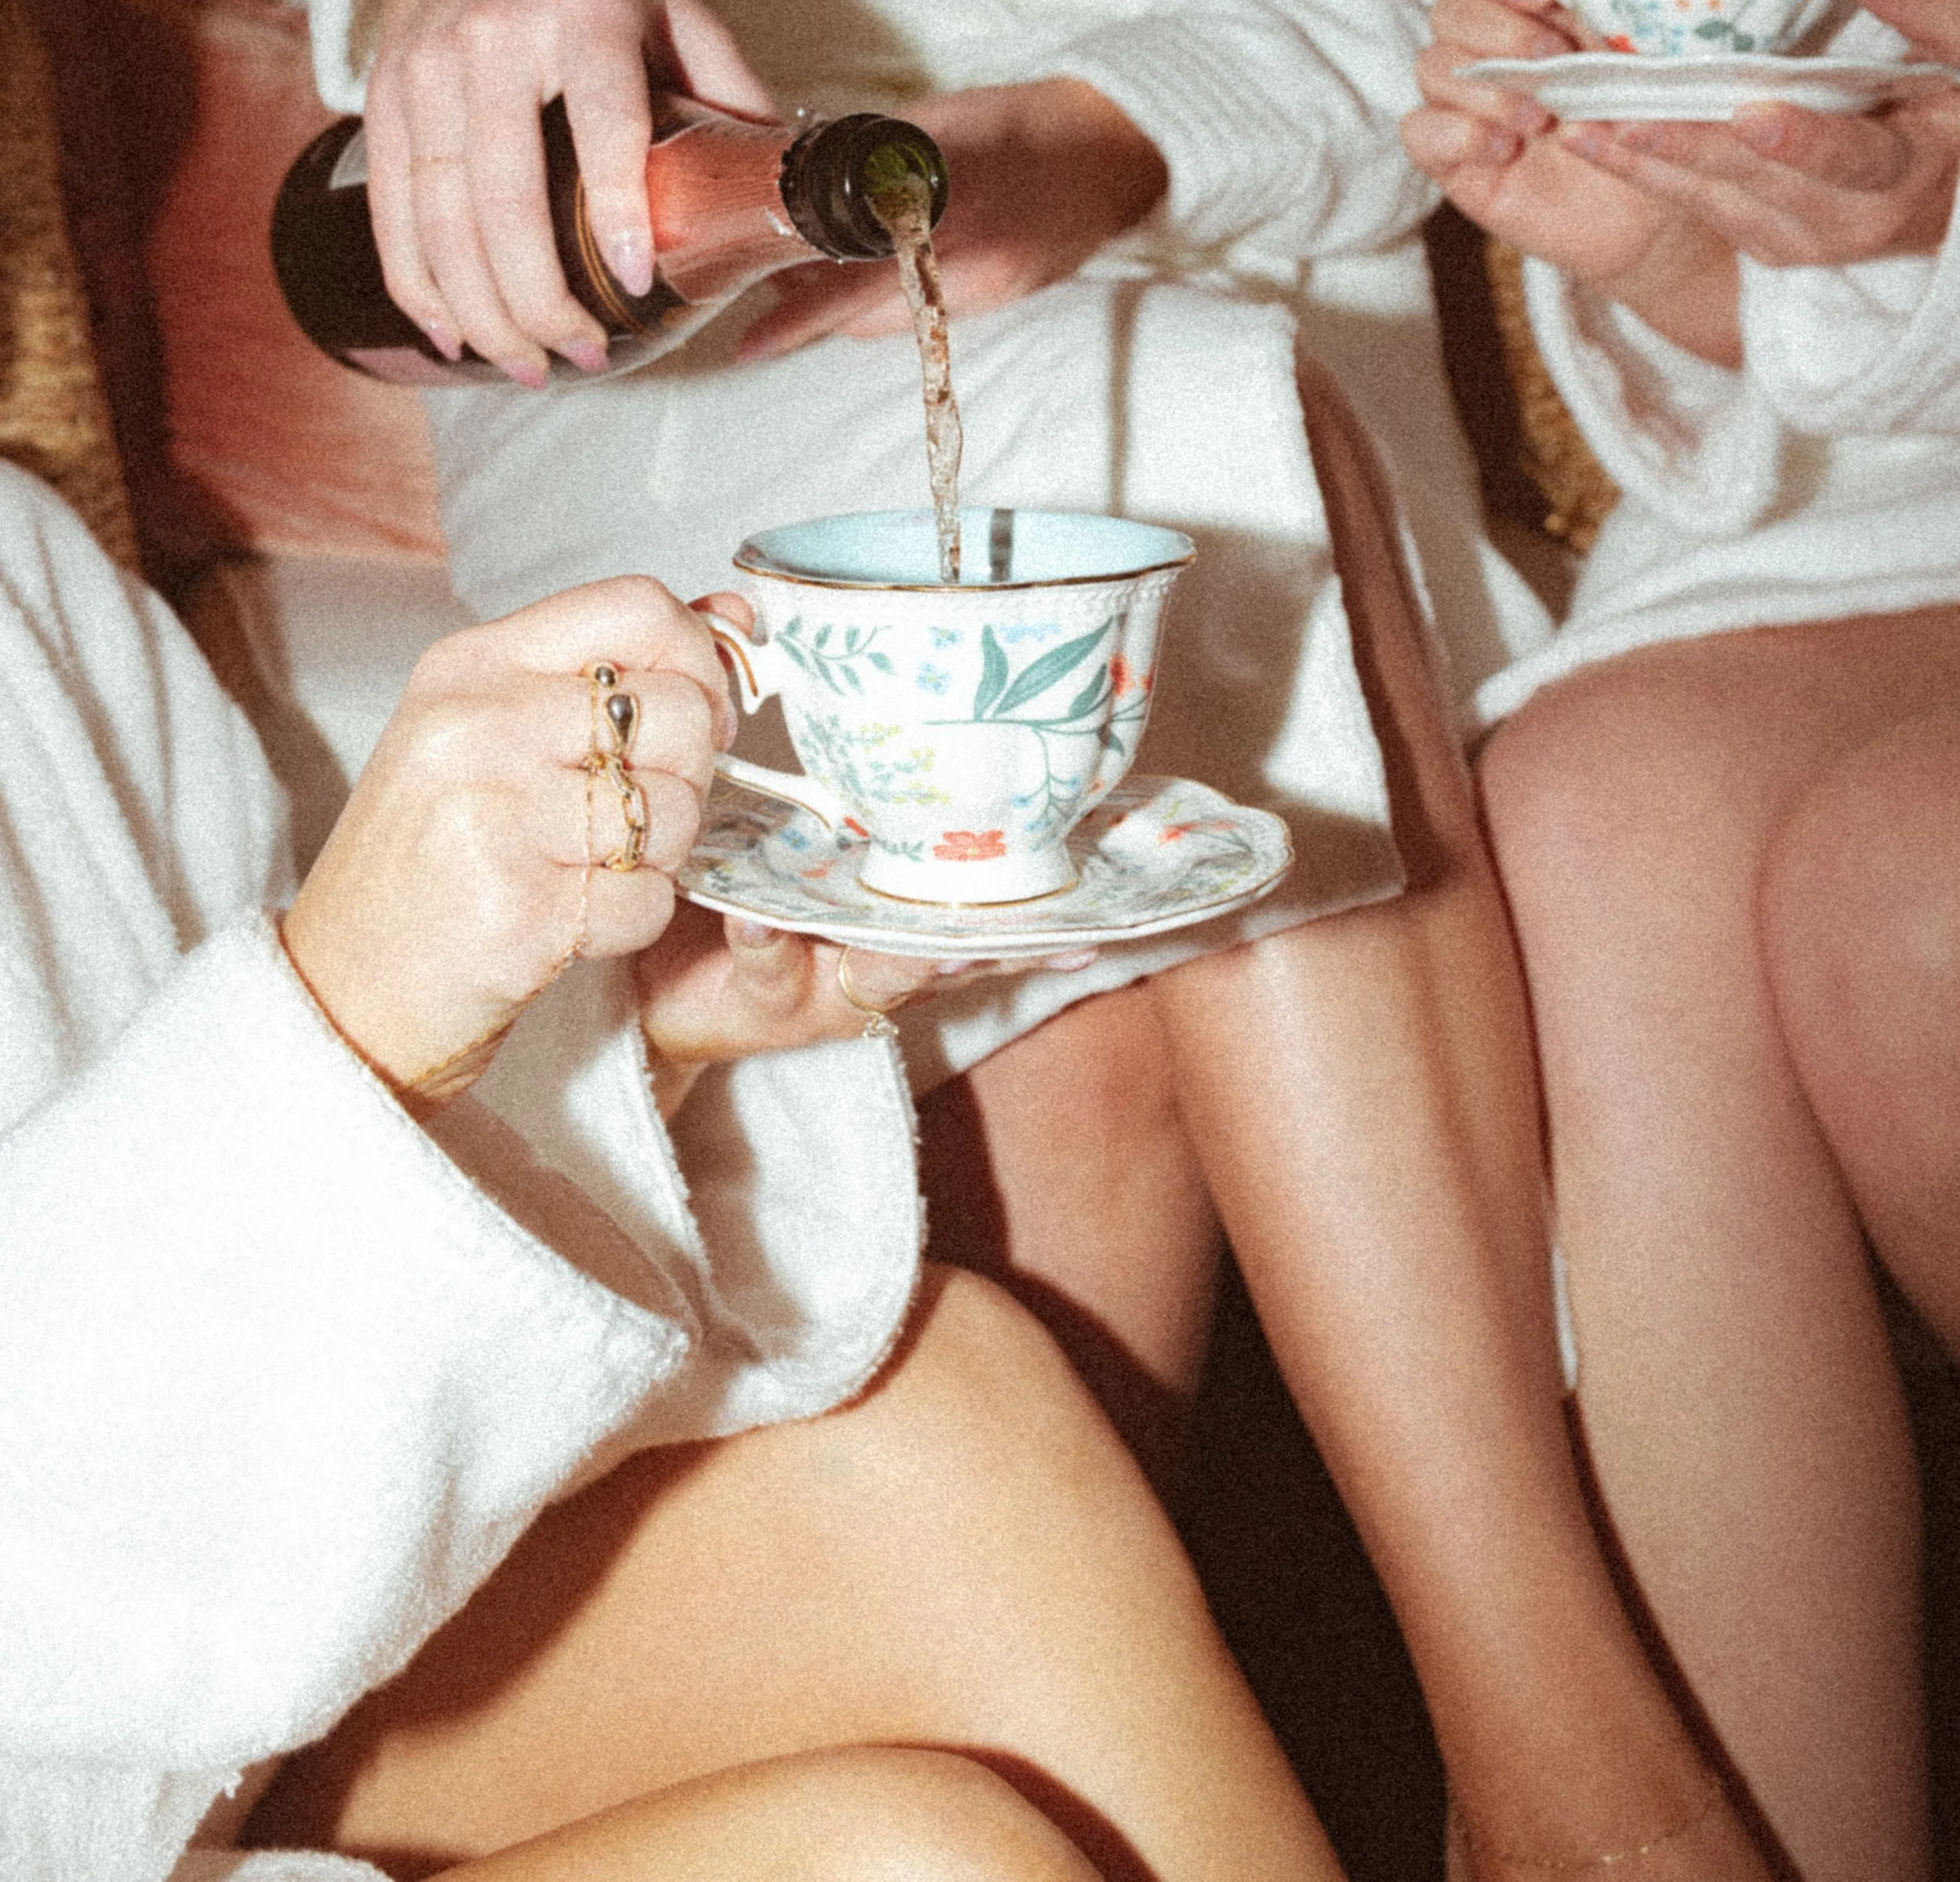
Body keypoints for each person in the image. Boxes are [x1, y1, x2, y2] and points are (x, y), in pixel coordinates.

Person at [256, 0, 1772, 1867]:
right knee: (1166, 448)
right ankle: (1567, 1753)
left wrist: (1056, 151)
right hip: (701, 383)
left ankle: (1135, 1758)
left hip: (1160, 314)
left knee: (1114, 916)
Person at [0, 450, 1341, 1882]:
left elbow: (240, 1331)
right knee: (913, 1868)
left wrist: (613, 1037)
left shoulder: (28, 571)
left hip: (139, 1727)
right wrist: (351, 1021)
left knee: (953, 1403)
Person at [1404, 0, 1960, 1872]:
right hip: (1903, 511)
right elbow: (1793, 350)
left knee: (1902, 904)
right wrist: (1640, 234)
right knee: (1589, 810)